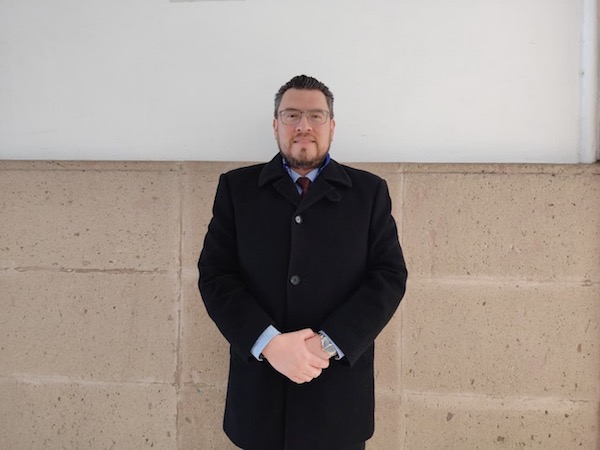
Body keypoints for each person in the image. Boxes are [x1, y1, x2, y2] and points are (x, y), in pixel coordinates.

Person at [198, 74, 407, 450]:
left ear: (332, 126)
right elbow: (216, 276)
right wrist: (269, 344)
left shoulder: (369, 192)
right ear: (275, 125)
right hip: (259, 397)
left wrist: (326, 345)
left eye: (316, 116)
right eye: (291, 115)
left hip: (337, 398)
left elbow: (388, 277)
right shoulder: (236, 189)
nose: (303, 126)